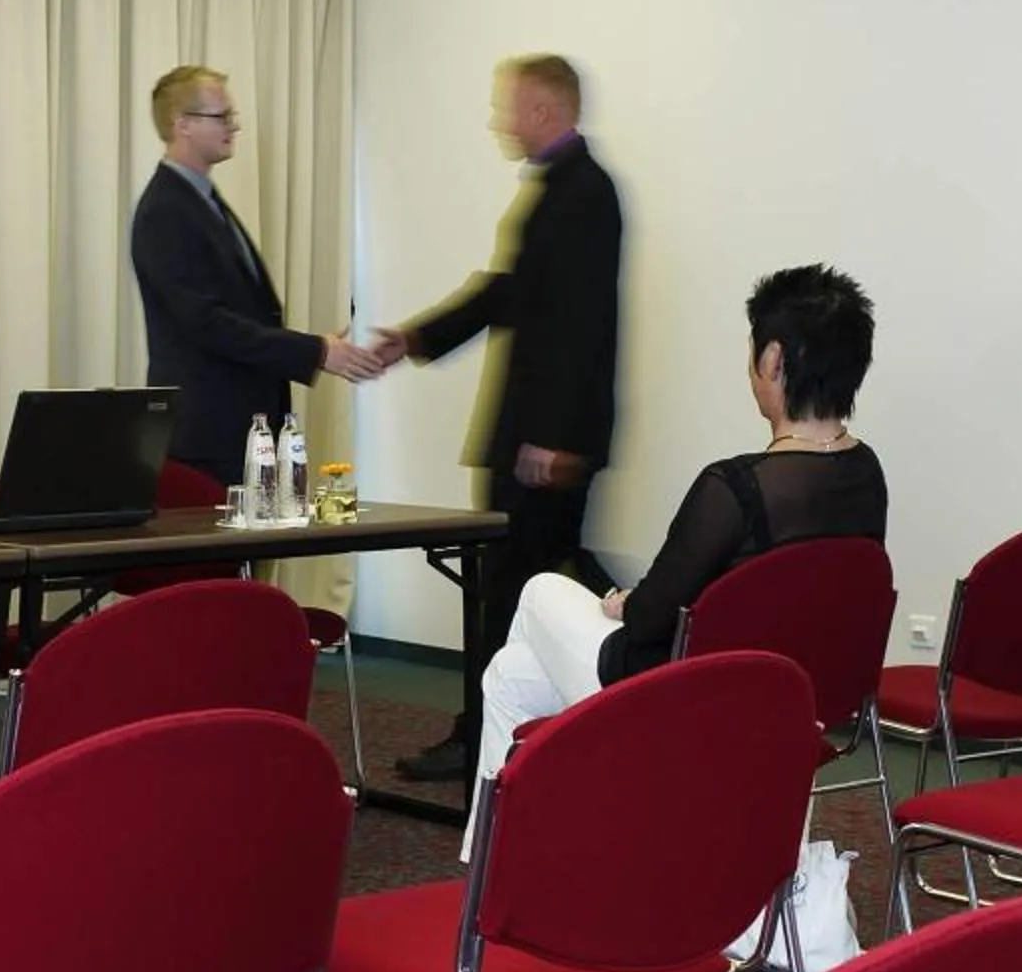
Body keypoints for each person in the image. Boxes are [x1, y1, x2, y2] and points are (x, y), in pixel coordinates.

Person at [476, 264, 885, 790]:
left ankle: (519, 851)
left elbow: (649, 618)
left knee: (538, 590)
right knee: (509, 676)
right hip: (800, 698)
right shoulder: (867, 474)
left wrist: (628, 602)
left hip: (686, 698)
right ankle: (500, 853)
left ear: (773, 358)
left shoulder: (735, 487)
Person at [373, 53, 624, 781]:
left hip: (545, 442)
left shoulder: (581, 193)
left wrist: (550, 435)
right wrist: (417, 338)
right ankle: (516, 726)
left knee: (515, 588)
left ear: (545, 111)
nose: (498, 121)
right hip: (539, 437)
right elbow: (510, 293)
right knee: (526, 581)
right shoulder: (562, 189)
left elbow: (578, 323)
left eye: (507, 107)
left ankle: (488, 732)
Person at [130, 65, 380, 485]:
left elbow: (241, 313)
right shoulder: (166, 210)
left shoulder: (201, 201)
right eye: (222, 116)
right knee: (219, 550)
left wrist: (313, 348)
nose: (235, 125)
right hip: (208, 437)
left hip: (241, 428)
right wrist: (315, 351)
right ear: (183, 125)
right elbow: (207, 323)